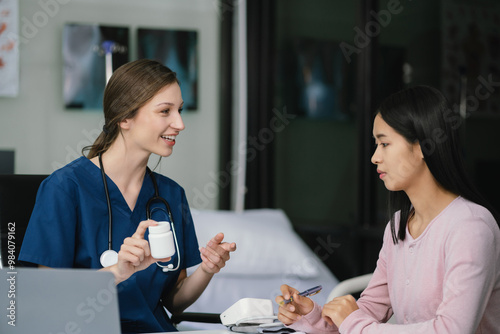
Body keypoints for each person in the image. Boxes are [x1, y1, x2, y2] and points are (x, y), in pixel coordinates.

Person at [19, 59, 237, 333]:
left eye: (179, 110)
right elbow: (47, 299)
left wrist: (207, 269)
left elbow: (175, 302)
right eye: (165, 111)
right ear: (124, 117)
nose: (179, 123)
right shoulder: (65, 188)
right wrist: (117, 272)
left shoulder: (170, 195)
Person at [276, 85, 500, 333]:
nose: (375, 157)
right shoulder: (398, 224)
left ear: (423, 146)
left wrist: (355, 323)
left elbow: (452, 330)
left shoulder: (471, 227)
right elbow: (367, 313)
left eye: (384, 144)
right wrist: (312, 315)